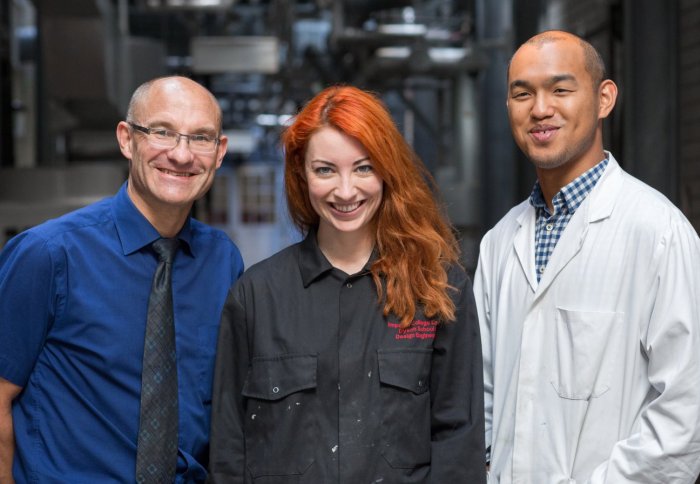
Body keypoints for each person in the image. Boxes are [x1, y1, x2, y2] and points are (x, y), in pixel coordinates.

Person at [208, 85, 485, 483]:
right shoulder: (255, 298)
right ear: (301, 175)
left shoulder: (439, 288)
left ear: (387, 170)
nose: (345, 190)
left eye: (364, 167)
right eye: (325, 170)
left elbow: (458, 442)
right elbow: (228, 454)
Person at [474, 30, 700, 483]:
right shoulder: (499, 242)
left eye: (560, 89)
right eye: (523, 94)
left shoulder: (659, 232)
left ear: (603, 98)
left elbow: (683, 419)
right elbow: (484, 394)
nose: (540, 108)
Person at [0, 76, 244, 483]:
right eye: (162, 132)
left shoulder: (222, 261)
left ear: (219, 153)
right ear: (127, 139)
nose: (181, 155)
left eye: (200, 138)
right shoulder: (47, 255)